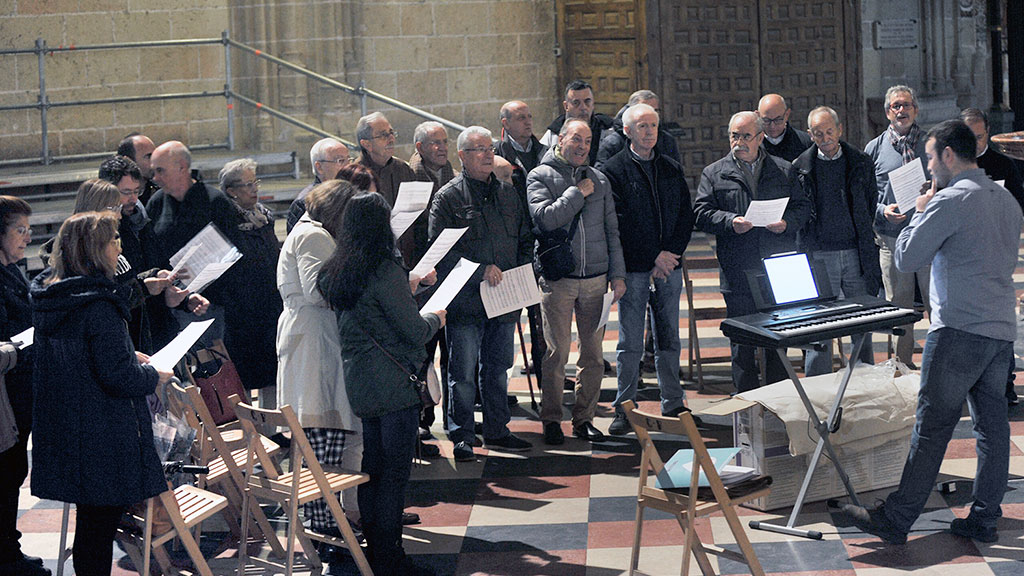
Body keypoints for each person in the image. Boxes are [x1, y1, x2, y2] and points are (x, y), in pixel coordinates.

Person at [841, 120, 1022, 546]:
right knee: (992, 429)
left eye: (929, 156)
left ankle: (897, 518)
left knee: (932, 426)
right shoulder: (1006, 199)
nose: (928, 165)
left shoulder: (950, 201)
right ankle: (984, 517)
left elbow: (905, 258)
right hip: (1000, 331)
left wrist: (920, 212)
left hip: (959, 330)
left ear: (947, 155)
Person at [31, 211, 174, 576]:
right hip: (103, 431)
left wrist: (128, 355)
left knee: (93, 524)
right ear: (95, 250)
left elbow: (86, 360)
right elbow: (118, 378)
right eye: (113, 240)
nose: (119, 247)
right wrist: (151, 374)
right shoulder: (98, 305)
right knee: (99, 527)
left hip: (73, 426)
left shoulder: (57, 298)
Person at [320, 192, 444, 576]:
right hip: (392, 383)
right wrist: (436, 318)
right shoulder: (383, 269)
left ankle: (375, 552)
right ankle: (390, 559)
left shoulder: (337, 270)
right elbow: (411, 330)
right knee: (394, 474)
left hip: (360, 381)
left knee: (373, 468)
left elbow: (374, 311)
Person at [429, 126, 534, 461]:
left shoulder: (507, 192)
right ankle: (461, 434)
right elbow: (440, 251)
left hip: (503, 297)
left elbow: (524, 237)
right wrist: (480, 269)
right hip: (466, 301)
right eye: (479, 149)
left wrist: (520, 273)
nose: (488, 154)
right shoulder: (448, 197)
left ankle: (497, 429)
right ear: (462, 156)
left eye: (490, 148)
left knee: (498, 367)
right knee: (462, 372)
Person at [693, 111, 810, 393]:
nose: (739, 142)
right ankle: (746, 408)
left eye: (746, 136)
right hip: (738, 267)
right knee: (742, 343)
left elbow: (802, 208)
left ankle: (779, 403)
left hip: (776, 267)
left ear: (760, 138)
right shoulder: (715, 172)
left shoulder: (783, 169)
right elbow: (700, 213)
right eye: (735, 135)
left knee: (777, 341)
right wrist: (730, 222)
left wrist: (786, 224)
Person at [528, 119, 626, 445]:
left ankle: (584, 418)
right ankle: (552, 419)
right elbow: (545, 218)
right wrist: (576, 193)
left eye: (587, 140)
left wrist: (618, 274)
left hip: (597, 280)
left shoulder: (599, 178)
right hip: (560, 281)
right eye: (576, 139)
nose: (583, 146)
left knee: (594, 356)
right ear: (561, 139)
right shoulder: (539, 175)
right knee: (557, 355)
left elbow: (612, 229)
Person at [277, 180, 363, 546]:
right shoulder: (314, 236)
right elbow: (319, 291)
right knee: (319, 428)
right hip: (313, 338)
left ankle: (326, 518)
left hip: (312, 335)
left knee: (321, 427)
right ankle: (322, 523)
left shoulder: (309, 232)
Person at [602, 103, 695, 435]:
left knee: (669, 336)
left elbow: (686, 215)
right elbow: (620, 223)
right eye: (642, 126)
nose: (649, 131)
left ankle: (674, 401)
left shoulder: (670, 167)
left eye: (653, 125)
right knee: (630, 343)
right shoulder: (613, 170)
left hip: (667, 268)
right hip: (635, 268)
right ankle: (624, 407)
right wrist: (654, 255)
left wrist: (671, 254)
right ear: (627, 131)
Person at [794, 106, 881, 375]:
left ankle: (863, 382)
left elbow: (869, 202)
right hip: (819, 255)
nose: (825, 138)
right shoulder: (800, 168)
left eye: (829, 131)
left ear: (840, 130)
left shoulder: (860, 162)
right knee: (820, 325)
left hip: (856, 252)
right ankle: (817, 386)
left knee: (860, 322)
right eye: (818, 133)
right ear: (810, 135)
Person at [0, 197, 49, 576]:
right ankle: (5, 556)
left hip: (22, 386)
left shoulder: (13, 269)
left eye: (29, 230)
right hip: (6, 392)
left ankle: (8, 547)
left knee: (14, 470)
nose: (27, 237)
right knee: (6, 470)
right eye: (20, 230)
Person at [867, 85, 930, 368]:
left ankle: (940, 364)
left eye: (906, 105)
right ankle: (902, 366)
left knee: (936, 301)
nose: (901, 110)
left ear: (915, 109)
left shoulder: (933, 145)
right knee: (899, 305)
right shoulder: (874, 149)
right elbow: (867, 196)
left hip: (929, 235)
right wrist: (883, 210)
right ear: (887, 113)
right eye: (895, 106)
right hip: (892, 238)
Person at [218, 159, 284, 407]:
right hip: (242, 311)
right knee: (245, 375)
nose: (254, 189)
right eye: (247, 184)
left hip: (270, 306)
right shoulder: (227, 221)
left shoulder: (264, 217)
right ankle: (251, 431)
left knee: (272, 372)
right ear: (231, 191)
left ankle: (273, 428)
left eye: (254, 182)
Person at [596, 89, 681, 168]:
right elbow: (602, 176)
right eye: (645, 110)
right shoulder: (613, 142)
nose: (651, 114)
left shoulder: (667, 140)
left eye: (655, 110)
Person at [539, 80, 615, 167]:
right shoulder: (553, 134)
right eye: (576, 103)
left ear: (593, 103)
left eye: (587, 102)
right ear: (566, 106)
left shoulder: (607, 131)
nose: (583, 107)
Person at [286, 137, 352, 233]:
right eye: (340, 161)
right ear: (319, 167)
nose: (348, 166)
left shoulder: (351, 193)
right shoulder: (304, 203)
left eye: (349, 160)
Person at [356, 112, 417, 210]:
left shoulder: (403, 169)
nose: (391, 139)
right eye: (383, 135)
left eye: (391, 133)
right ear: (367, 144)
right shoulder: (355, 175)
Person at [757, 93, 812, 162]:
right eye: (766, 120)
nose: (772, 126)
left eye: (778, 120)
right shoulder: (752, 145)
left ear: (787, 115)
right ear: (758, 116)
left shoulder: (806, 143)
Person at [116, 133, 158, 205]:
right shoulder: (111, 196)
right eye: (148, 156)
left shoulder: (160, 191)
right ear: (129, 160)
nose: (155, 161)